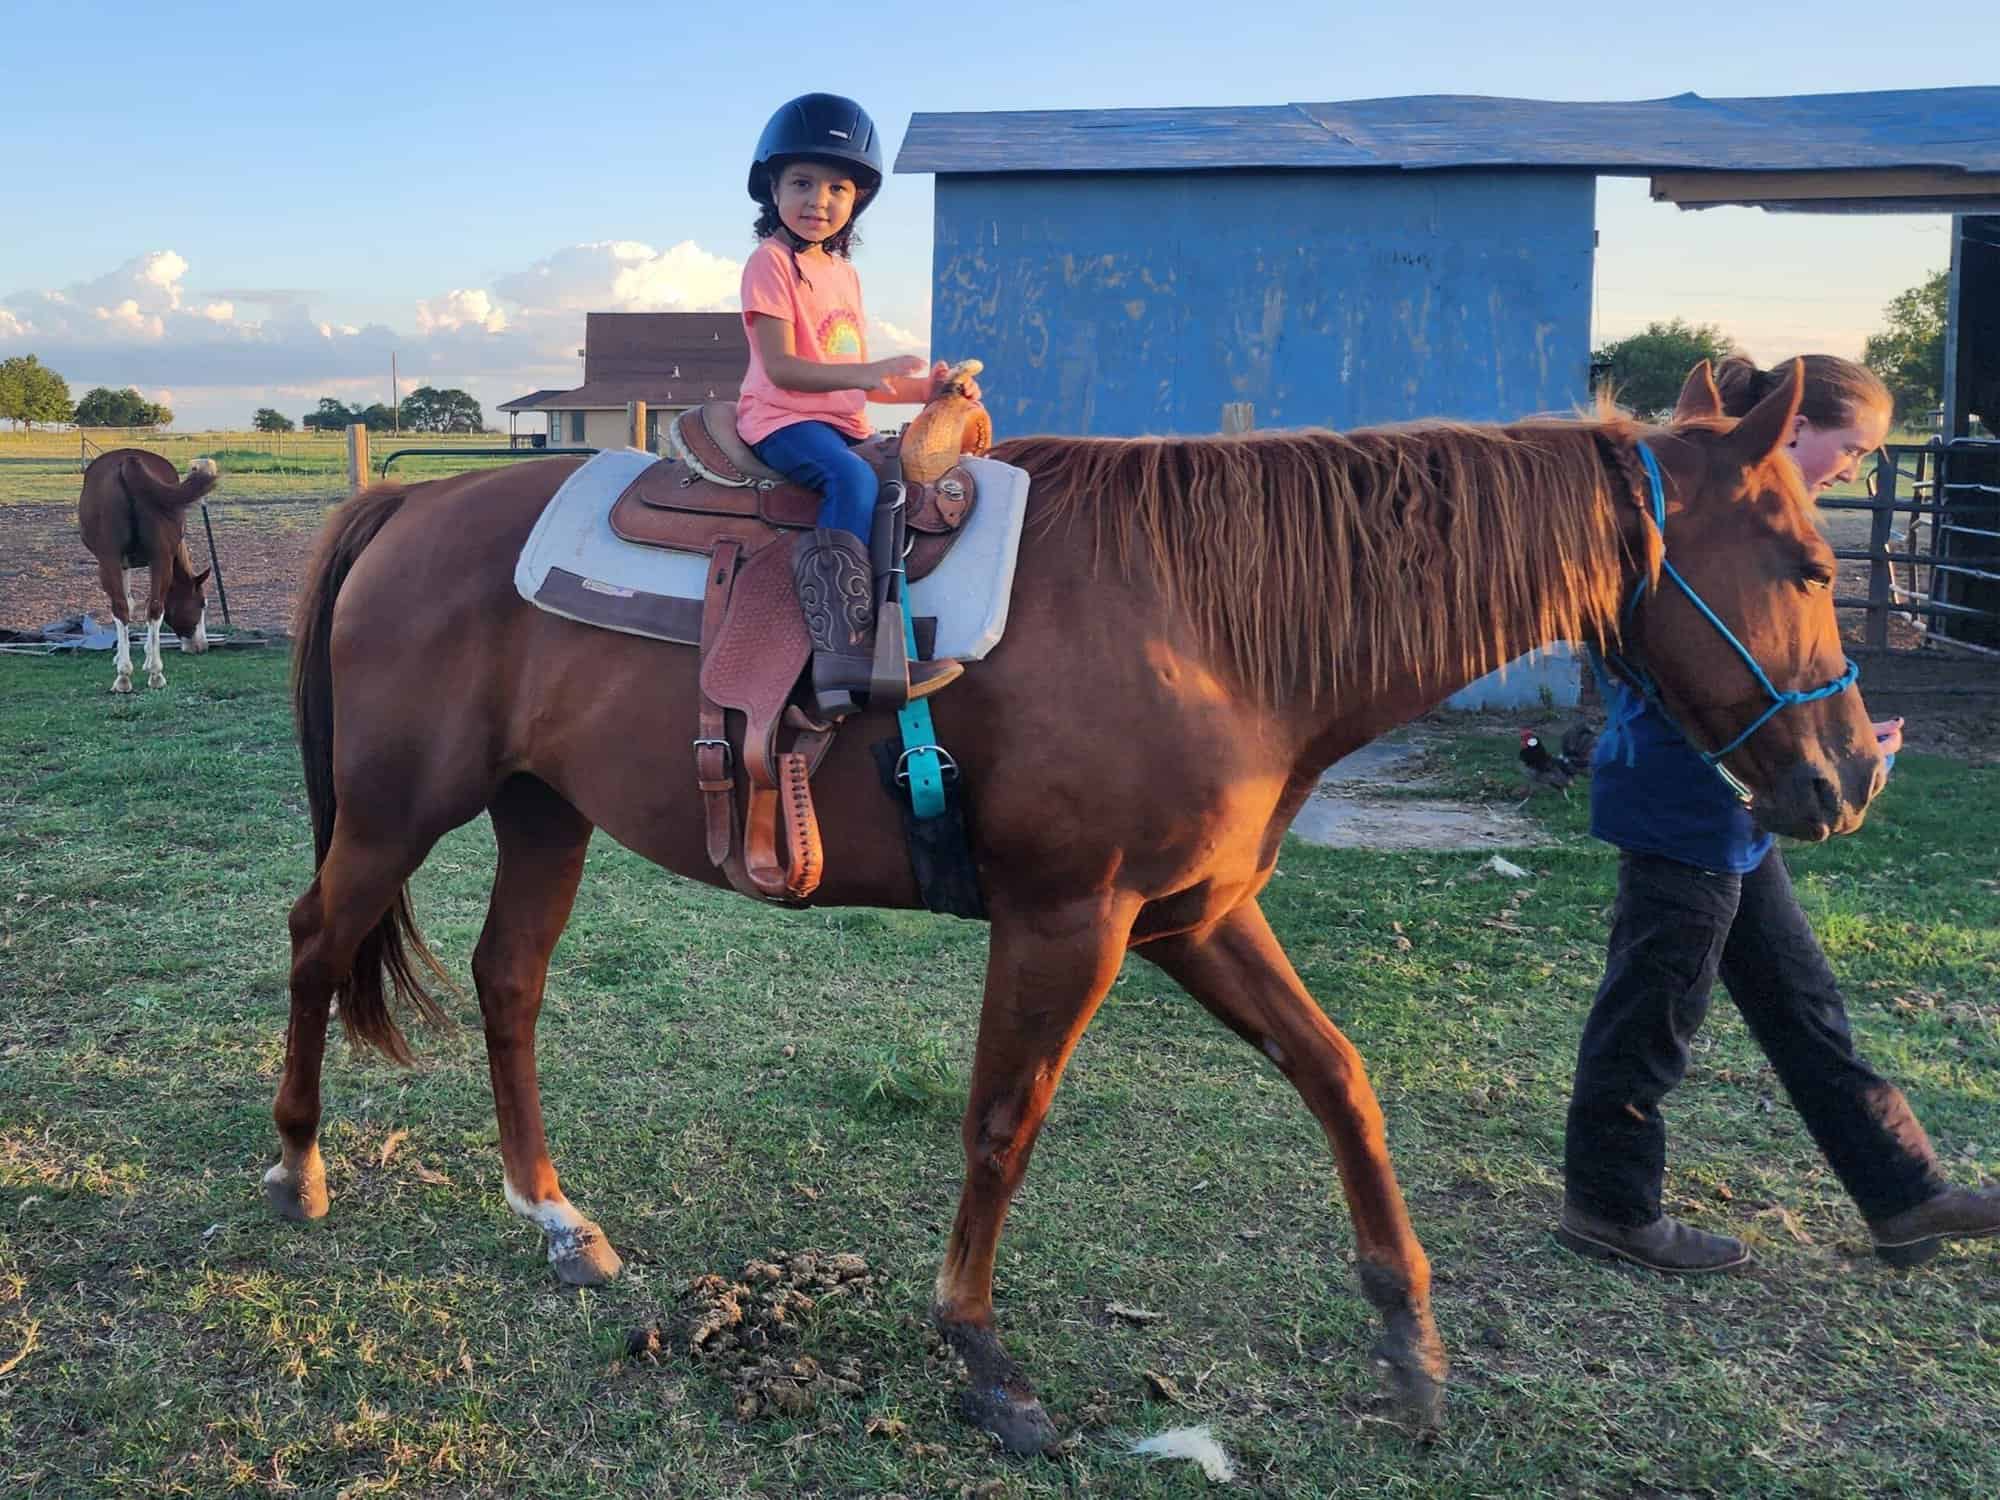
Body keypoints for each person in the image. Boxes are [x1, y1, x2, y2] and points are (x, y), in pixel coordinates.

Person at [1559, 353, 2000, 1273]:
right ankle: (1610, 1204)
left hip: (1734, 806)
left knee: (1802, 1006)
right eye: (1855, 447)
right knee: (1651, 1013)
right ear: (1794, 430)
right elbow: (1699, 678)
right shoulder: (1701, 523)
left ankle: (1904, 1193)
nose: (1857, 470)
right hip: (1686, 803)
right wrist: (1808, 754)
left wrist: (1828, 746)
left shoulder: (1744, 529)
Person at [737, 92, 971, 718]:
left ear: (857, 199)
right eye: (802, 183)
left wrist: (930, 391)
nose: (820, 200)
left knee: (899, 486)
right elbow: (783, 367)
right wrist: (870, 371)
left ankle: (896, 624)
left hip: (839, 418)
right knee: (848, 477)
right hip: (782, 418)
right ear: (773, 189)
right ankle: (840, 645)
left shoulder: (844, 274)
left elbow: (856, 384)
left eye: (839, 188)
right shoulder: (770, 263)